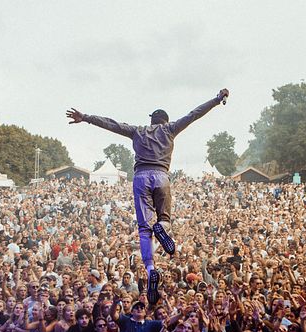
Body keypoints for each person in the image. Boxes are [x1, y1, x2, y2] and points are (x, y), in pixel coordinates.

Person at [66, 88, 229, 304]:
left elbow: (112, 124)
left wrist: (85, 117)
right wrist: (217, 99)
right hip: (161, 175)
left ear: (152, 120)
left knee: (144, 228)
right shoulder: (171, 129)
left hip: (141, 177)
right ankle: (162, 226)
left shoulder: (138, 131)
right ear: (165, 120)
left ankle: (151, 268)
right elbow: (194, 114)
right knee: (164, 218)